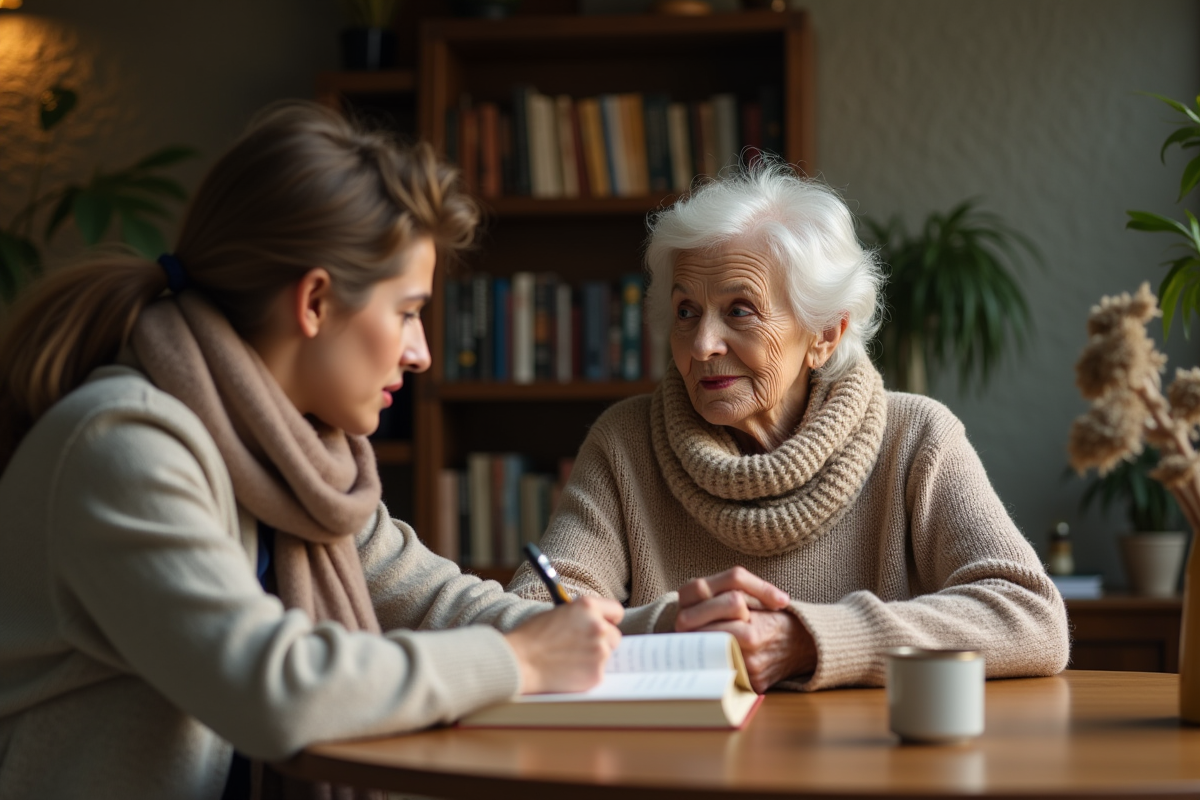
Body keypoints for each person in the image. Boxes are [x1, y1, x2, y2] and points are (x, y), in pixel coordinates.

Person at [0, 102, 623, 800]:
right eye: (408, 311)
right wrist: (519, 661)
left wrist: (651, 631)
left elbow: (438, 602)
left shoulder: (295, 458)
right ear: (316, 302)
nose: (420, 353)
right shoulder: (121, 448)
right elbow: (274, 690)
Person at [509, 162, 1068, 693]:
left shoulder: (916, 438)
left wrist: (808, 639)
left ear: (824, 334)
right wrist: (672, 626)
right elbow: (534, 617)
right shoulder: (625, 443)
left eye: (740, 310)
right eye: (686, 312)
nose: (702, 344)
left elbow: (1031, 616)